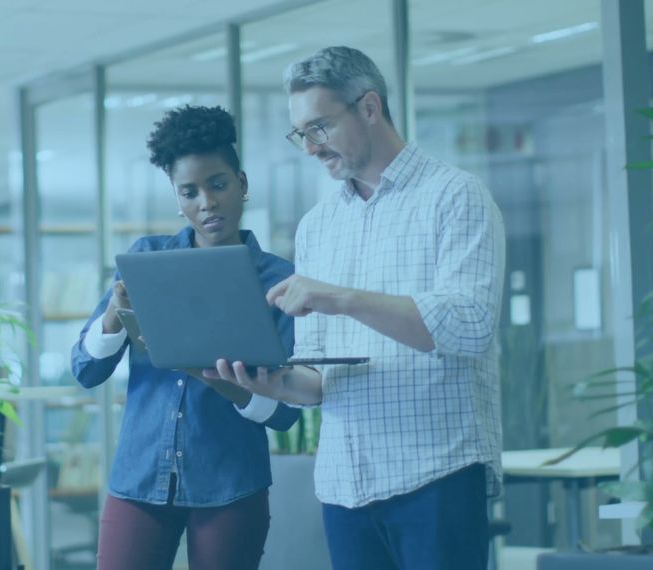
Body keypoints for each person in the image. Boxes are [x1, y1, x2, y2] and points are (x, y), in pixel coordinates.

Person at [205, 46, 506, 570]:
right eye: (301, 133)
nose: (310, 148)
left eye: (320, 127)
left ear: (369, 107)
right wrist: (272, 384)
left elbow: (469, 325)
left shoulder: (455, 196)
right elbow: (318, 377)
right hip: (346, 487)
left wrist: (339, 298)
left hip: (435, 475)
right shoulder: (318, 226)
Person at [70, 105, 299, 570]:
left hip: (230, 484)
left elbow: (284, 415)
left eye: (218, 184)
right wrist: (116, 312)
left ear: (242, 183)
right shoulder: (145, 259)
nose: (206, 203)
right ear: (177, 199)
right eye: (189, 191)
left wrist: (211, 375)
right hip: (138, 478)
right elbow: (86, 369)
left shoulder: (279, 281)